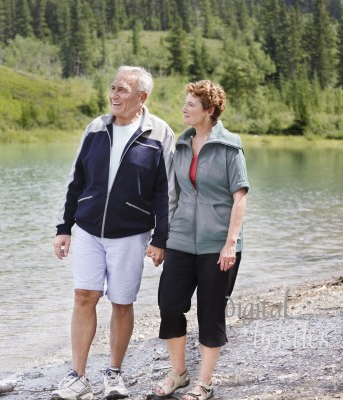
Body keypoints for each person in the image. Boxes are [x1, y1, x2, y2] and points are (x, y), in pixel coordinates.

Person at [52, 65, 176, 400]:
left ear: (142, 97)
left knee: (122, 302)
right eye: (112, 88)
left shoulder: (160, 133)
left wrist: (161, 238)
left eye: (122, 90)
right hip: (89, 229)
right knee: (83, 296)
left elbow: (166, 192)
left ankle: (114, 374)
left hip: (131, 233)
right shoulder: (96, 128)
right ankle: (77, 377)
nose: (113, 95)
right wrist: (65, 227)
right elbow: (76, 180)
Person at [153, 80, 249, 400]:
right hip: (180, 240)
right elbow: (172, 197)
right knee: (169, 305)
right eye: (185, 102)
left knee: (210, 311)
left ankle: (203, 382)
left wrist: (230, 242)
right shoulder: (181, 146)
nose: (184, 108)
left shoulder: (229, 146)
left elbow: (240, 198)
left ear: (209, 111)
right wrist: (161, 239)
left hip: (217, 245)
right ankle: (179, 373)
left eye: (191, 104)